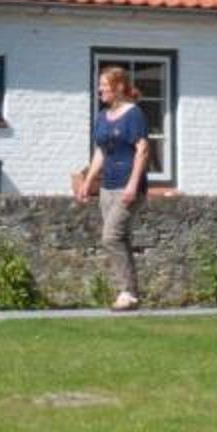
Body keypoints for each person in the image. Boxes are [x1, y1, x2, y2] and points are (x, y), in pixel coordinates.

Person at [73, 63, 150, 311]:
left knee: (111, 237)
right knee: (121, 239)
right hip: (107, 187)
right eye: (100, 87)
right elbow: (101, 152)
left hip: (129, 187)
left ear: (119, 87)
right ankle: (131, 294)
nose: (100, 91)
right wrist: (87, 182)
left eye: (104, 86)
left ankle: (127, 292)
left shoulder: (134, 114)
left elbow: (142, 150)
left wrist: (132, 185)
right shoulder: (102, 118)